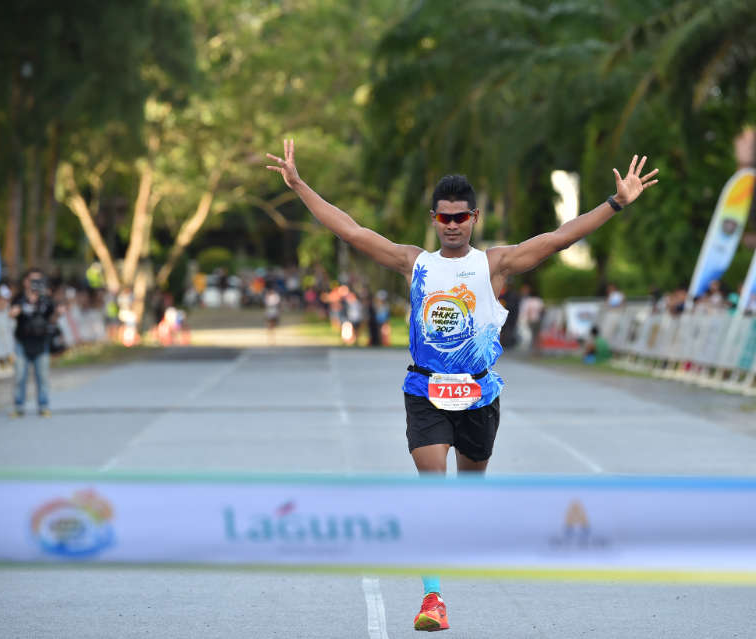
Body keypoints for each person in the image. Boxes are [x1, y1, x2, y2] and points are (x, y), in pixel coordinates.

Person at [267, 138, 658, 632]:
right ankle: (433, 598)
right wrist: (300, 185)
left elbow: (559, 238)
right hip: (425, 391)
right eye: (444, 218)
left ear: (474, 217)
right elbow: (350, 229)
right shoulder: (415, 263)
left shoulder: (494, 264)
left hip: (479, 394)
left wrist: (616, 203)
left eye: (461, 217)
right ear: (434, 219)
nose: (452, 225)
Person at [9, 268, 59, 417]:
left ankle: (43, 405)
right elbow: (11, 314)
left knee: (42, 376)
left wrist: (58, 312)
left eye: (39, 281)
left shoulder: (46, 300)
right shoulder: (19, 298)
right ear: (26, 282)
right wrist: (18, 309)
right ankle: (19, 407)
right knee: (20, 376)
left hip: (41, 342)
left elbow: (52, 319)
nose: (36, 284)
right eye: (33, 280)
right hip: (22, 342)